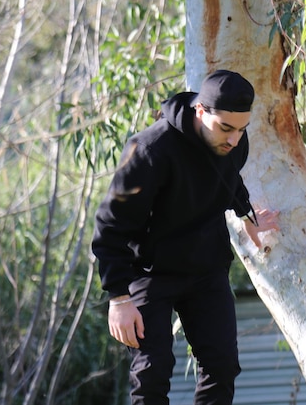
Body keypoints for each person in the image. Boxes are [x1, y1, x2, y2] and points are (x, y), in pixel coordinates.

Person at [92, 69, 280, 405]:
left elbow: (228, 178)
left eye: (241, 129)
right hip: (150, 272)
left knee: (222, 369)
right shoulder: (148, 150)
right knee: (152, 373)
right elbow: (110, 225)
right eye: (226, 128)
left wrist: (247, 215)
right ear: (200, 111)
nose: (235, 140)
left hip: (206, 271)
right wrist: (118, 298)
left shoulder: (233, 141)